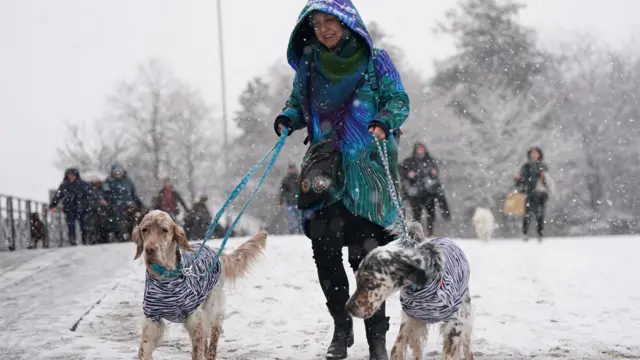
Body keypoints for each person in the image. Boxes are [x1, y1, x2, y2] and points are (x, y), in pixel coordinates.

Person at [274, 1, 410, 358]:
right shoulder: (309, 64)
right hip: (326, 174)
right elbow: (297, 104)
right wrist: (288, 118)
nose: (324, 29)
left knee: (368, 260)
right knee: (326, 254)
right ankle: (341, 328)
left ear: (347, 23)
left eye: (330, 21)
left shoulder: (375, 60)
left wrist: (383, 119)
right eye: (316, 23)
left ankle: (377, 339)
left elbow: (399, 99)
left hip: (369, 177)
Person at [399, 142, 451, 237]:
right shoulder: (410, 161)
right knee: (417, 215)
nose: (420, 150)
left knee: (431, 214)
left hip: (428, 193)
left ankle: (430, 233)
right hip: (415, 194)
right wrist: (408, 174)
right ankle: (417, 233)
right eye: (418, 148)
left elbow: (435, 171)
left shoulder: (429, 160)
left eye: (422, 148)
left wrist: (433, 172)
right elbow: (401, 170)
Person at [48, 168, 96, 245]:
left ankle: (85, 240)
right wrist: (52, 205)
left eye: (72, 175)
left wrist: (89, 204)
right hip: (69, 208)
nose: (71, 177)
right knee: (71, 226)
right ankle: (72, 241)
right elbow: (58, 196)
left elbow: (91, 195)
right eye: (69, 175)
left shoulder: (83, 184)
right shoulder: (64, 185)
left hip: (82, 208)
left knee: (84, 226)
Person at [515, 147, 550, 241]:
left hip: (541, 194)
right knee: (527, 215)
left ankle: (539, 235)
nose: (534, 155)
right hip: (529, 194)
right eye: (532, 153)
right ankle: (525, 234)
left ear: (539, 154)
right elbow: (521, 180)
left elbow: (548, 181)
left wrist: (544, 179)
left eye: (536, 153)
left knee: (540, 215)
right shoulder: (526, 166)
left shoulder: (543, 166)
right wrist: (518, 180)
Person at [103, 164, 144, 241]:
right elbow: (106, 195)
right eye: (116, 171)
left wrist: (139, 204)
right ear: (112, 172)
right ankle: (121, 235)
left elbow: (133, 194)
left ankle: (135, 234)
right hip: (115, 206)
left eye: (119, 171)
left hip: (129, 204)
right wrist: (110, 204)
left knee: (136, 216)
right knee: (118, 218)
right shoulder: (108, 181)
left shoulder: (128, 181)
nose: (118, 173)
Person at [280, 164, 303, 234]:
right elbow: (282, 191)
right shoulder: (286, 179)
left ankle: (301, 231)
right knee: (291, 219)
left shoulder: (300, 178)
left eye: (293, 169)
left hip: (298, 202)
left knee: (299, 218)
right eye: (291, 169)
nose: (292, 170)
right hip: (289, 201)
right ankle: (292, 232)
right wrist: (281, 201)